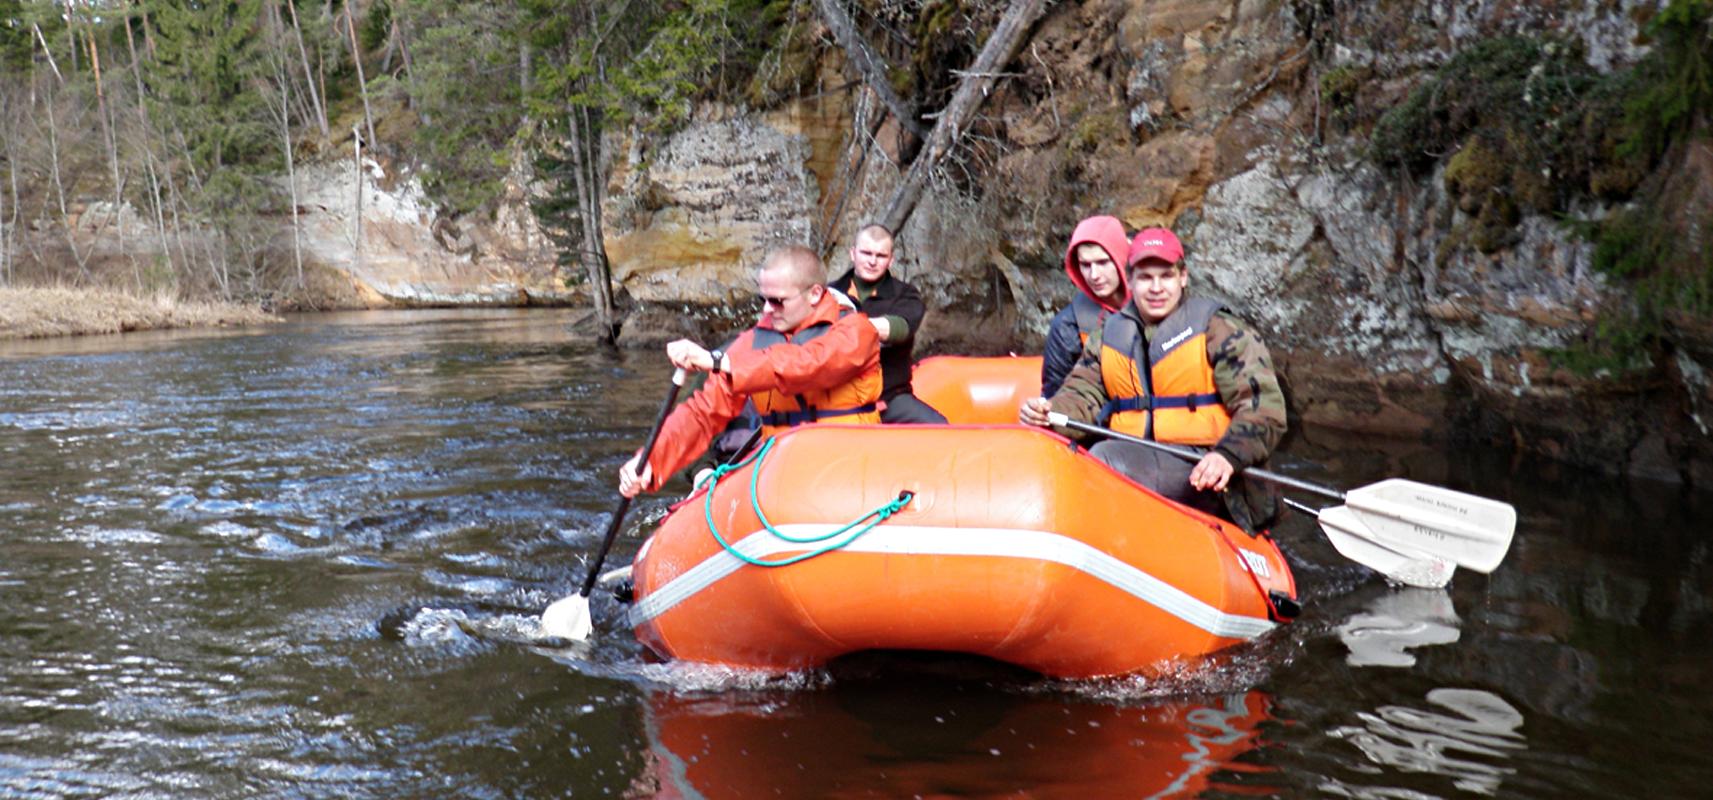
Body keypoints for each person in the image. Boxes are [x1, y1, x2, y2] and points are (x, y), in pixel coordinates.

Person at [1019, 228, 1287, 531]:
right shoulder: (1108, 334)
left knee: (1105, 458)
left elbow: (1264, 408)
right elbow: (1083, 393)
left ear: (1182, 277)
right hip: (1142, 461)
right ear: (1130, 280)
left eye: (1166, 276)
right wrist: (1049, 412)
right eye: (1146, 278)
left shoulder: (1220, 328)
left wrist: (1227, 456)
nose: (1156, 287)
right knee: (1090, 457)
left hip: (1209, 469)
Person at [619, 245, 883, 498]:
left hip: (851, 468)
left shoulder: (856, 331)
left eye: (778, 301)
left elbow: (808, 363)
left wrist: (721, 362)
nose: (767, 309)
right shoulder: (752, 342)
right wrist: (649, 461)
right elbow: (702, 413)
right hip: (785, 476)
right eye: (764, 299)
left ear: (814, 294)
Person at [829, 224, 948, 424]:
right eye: (866, 253)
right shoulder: (829, 293)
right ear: (853, 253)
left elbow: (900, 329)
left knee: (940, 429)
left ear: (891, 260)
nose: (872, 261)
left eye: (881, 256)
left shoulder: (906, 295)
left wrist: (844, 328)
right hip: (839, 400)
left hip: (890, 399)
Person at [1042, 215, 1130, 397]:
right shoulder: (1066, 326)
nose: (1094, 275)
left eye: (1103, 262)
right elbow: (1055, 398)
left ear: (1122, 258)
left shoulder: (1155, 304)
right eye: (1085, 265)